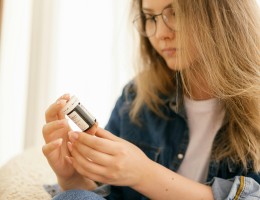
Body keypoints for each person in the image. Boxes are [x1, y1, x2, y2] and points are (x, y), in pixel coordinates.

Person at [42, 0, 260, 199]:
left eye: (175, 13)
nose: (160, 33)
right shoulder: (135, 98)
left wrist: (144, 174)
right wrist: (71, 177)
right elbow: (106, 194)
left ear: (222, 14)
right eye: (150, 18)